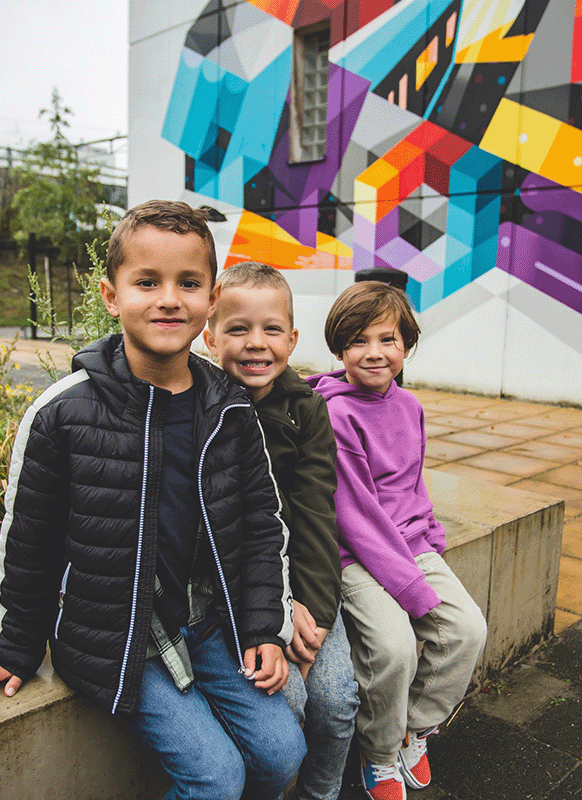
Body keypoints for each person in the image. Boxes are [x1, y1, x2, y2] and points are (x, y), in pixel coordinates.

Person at [0, 200, 305, 800]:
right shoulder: (64, 413)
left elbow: (261, 528)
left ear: (212, 299)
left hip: (210, 624)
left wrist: (264, 629)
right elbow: (31, 542)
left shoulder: (230, 407)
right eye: (147, 282)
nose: (169, 299)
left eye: (188, 283)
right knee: (216, 778)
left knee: (282, 754)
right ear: (111, 295)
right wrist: (11, 650)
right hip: (121, 635)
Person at [307, 282, 486, 800]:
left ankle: (414, 728)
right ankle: (380, 750)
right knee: (394, 648)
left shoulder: (409, 406)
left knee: (467, 630)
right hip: (357, 555)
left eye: (387, 339)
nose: (374, 352)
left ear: (406, 346)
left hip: (409, 544)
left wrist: (429, 532)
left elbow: (411, 482)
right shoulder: (335, 413)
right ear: (339, 349)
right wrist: (409, 585)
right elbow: (356, 515)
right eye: (358, 340)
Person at [202, 261, 359, 800]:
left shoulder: (307, 410)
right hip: (247, 593)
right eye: (238, 329)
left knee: (336, 698)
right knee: (287, 700)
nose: (256, 343)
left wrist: (315, 611)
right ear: (210, 337)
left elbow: (316, 515)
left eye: (271, 329)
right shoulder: (203, 409)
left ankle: (321, 793)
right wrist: (278, 611)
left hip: (310, 585)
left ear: (292, 340)